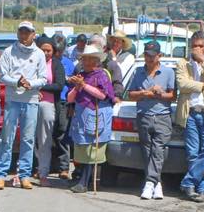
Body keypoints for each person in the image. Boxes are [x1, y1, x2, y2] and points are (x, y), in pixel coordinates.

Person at [0, 21, 47, 190]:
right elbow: (3, 76)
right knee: (7, 138)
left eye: (27, 32)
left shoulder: (39, 54)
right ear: (18, 33)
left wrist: (30, 83)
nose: (24, 35)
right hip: (12, 100)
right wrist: (17, 82)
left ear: (33, 34)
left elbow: (44, 78)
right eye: (21, 32)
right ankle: (1, 175)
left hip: (31, 101)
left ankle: (24, 175)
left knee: (28, 139)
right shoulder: (9, 52)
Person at [174, 32, 204, 202]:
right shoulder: (183, 63)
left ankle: (188, 182)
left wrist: (203, 60)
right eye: (194, 46)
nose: (196, 49)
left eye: (200, 46)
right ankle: (201, 188)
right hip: (190, 114)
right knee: (192, 153)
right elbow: (183, 85)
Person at [124, 40, 176, 200]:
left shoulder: (168, 72)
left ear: (159, 56)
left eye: (152, 56)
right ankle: (156, 183)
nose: (149, 58)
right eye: (147, 55)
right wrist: (146, 93)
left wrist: (159, 94)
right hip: (144, 115)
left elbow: (173, 96)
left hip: (162, 116)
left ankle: (150, 182)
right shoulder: (138, 72)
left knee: (158, 149)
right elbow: (130, 94)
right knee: (147, 149)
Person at [66, 45, 117, 193]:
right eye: (85, 59)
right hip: (82, 117)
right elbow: (70, 99)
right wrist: (77, 86)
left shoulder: (101, 75)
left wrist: (84, 85)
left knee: (91, 151)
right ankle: (82, 179)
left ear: (96, 61)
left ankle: (84, 182)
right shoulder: (81, 74)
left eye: (90, 59)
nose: (87, 62)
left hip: (95, 117)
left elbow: (102, 95)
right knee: (83, 149)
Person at [33, 36, 67, 185]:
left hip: (48, 105)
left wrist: (38, 86)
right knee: (29, 139)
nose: (46, 53)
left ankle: (43, 172)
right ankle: (30, 169)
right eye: (43, 50)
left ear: (53, 51)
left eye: (49, 50)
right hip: (31, 103)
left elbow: (59, 85)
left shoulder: (57, 64)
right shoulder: (31, 63)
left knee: (45, 140)